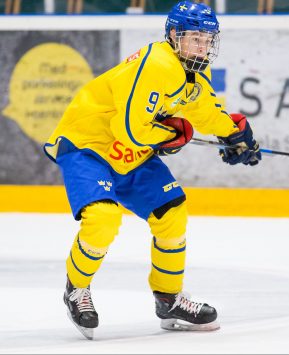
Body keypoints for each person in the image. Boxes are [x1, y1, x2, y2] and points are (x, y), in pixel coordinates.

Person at [44, 0, 261, 340]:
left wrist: (233, 134)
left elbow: (204, 108)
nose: (202, 47)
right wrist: (173, 134)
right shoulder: (158, 64)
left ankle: (169, 299)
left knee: (172, 213)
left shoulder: (193, 69)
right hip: (89, 145)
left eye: (208, 40)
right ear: (174, 36)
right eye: (195, 38)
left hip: (130, 152)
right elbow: (132, 129)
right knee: (102, 218)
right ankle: (77, 288)